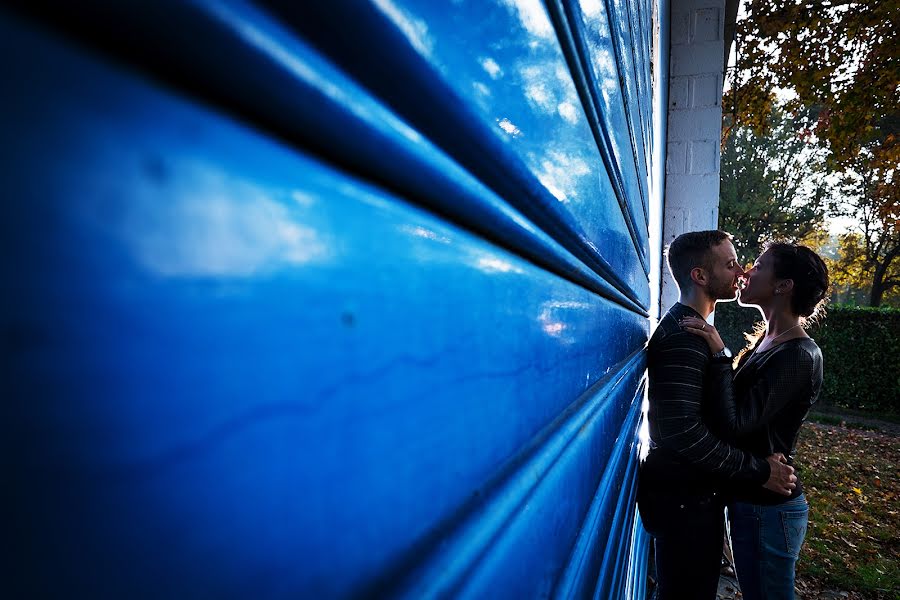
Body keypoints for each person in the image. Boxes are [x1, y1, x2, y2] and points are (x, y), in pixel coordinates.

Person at [638, 230, 797, 600]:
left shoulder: (701, 332)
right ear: (700, 276)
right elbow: (683, 433)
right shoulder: (684, 336)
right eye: (730, 264)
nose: (740, 270)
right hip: (683, 503)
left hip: (695, 496)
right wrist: (759, 470)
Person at [680, 242, 828, 600]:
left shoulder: (799, 355)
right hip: (750, 496)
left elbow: (736, 423)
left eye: (759, 267)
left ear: (783, 286)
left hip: (770, 507)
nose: (746, 272)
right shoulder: (767, 339)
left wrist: (719, 355)